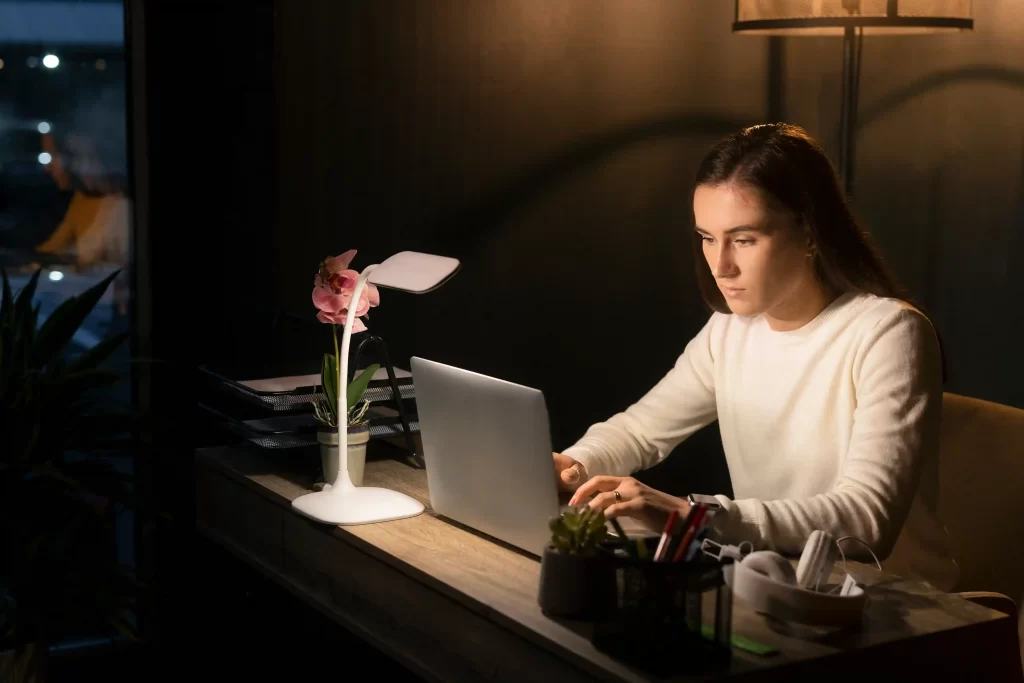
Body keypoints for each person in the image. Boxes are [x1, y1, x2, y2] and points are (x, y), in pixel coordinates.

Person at [553, 123, 957, 591]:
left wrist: (699, 517)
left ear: (808, 232)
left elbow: (866, 519)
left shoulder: (888, 332)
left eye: (744, 240)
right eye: (707, 237)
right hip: (779, 587)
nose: (720, 265)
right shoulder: (731, 329)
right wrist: (574, 468)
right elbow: (640, 430)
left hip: (897, 612)